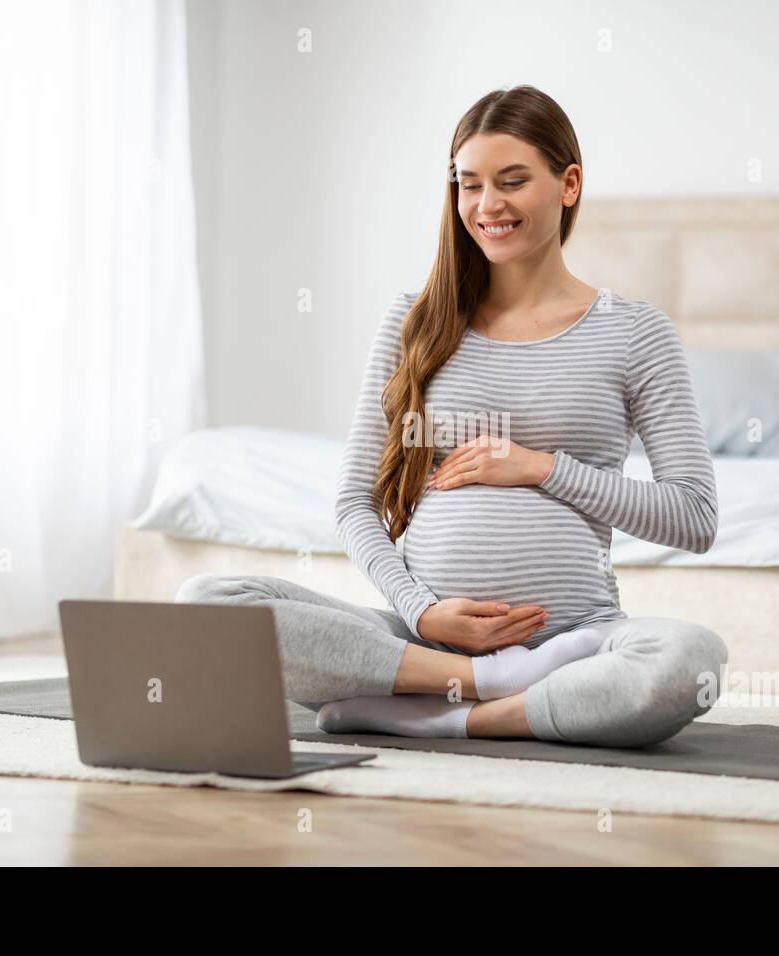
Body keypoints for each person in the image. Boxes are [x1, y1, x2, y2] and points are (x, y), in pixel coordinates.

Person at [175, 85, 727, 747]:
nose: (487, 205)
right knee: (207, 602)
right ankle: (481, 686)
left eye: (512, 181)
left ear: (569, 184)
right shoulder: (416, 321)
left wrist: (540, 467)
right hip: (419, 639)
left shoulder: (635, 332)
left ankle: (446, 714)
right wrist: (424, 613)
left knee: (692, 661)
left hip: (576, 643)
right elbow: (354, 504)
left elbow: (693, 517)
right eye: (469, 185)